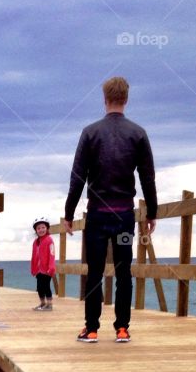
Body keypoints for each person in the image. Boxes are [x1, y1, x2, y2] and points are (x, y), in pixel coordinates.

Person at [62, 76, 157, 344]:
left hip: (97, 218)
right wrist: (152, 212)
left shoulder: (90, 133)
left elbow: (77, 177)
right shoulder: (138, 133)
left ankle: (92, 329)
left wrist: (69, 213)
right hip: (124, 217)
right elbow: (148, 178)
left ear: (104, 99)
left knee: (94, 271)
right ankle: (122, 328)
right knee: (124, 271)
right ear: (126, 99)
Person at [30, 216, 56, 310]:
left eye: (43, 227)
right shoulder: (35, 242)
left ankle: (49, 304)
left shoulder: (49, 240)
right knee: (39, 287)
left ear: (47, 228)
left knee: (46, 286)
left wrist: (51, 267)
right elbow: (33, 256)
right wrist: (33, 268)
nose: (41, 230)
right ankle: (42, 303)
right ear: (36, 230)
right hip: (38, 270)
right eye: (38, 228)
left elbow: (52, 254)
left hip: (47, 269)